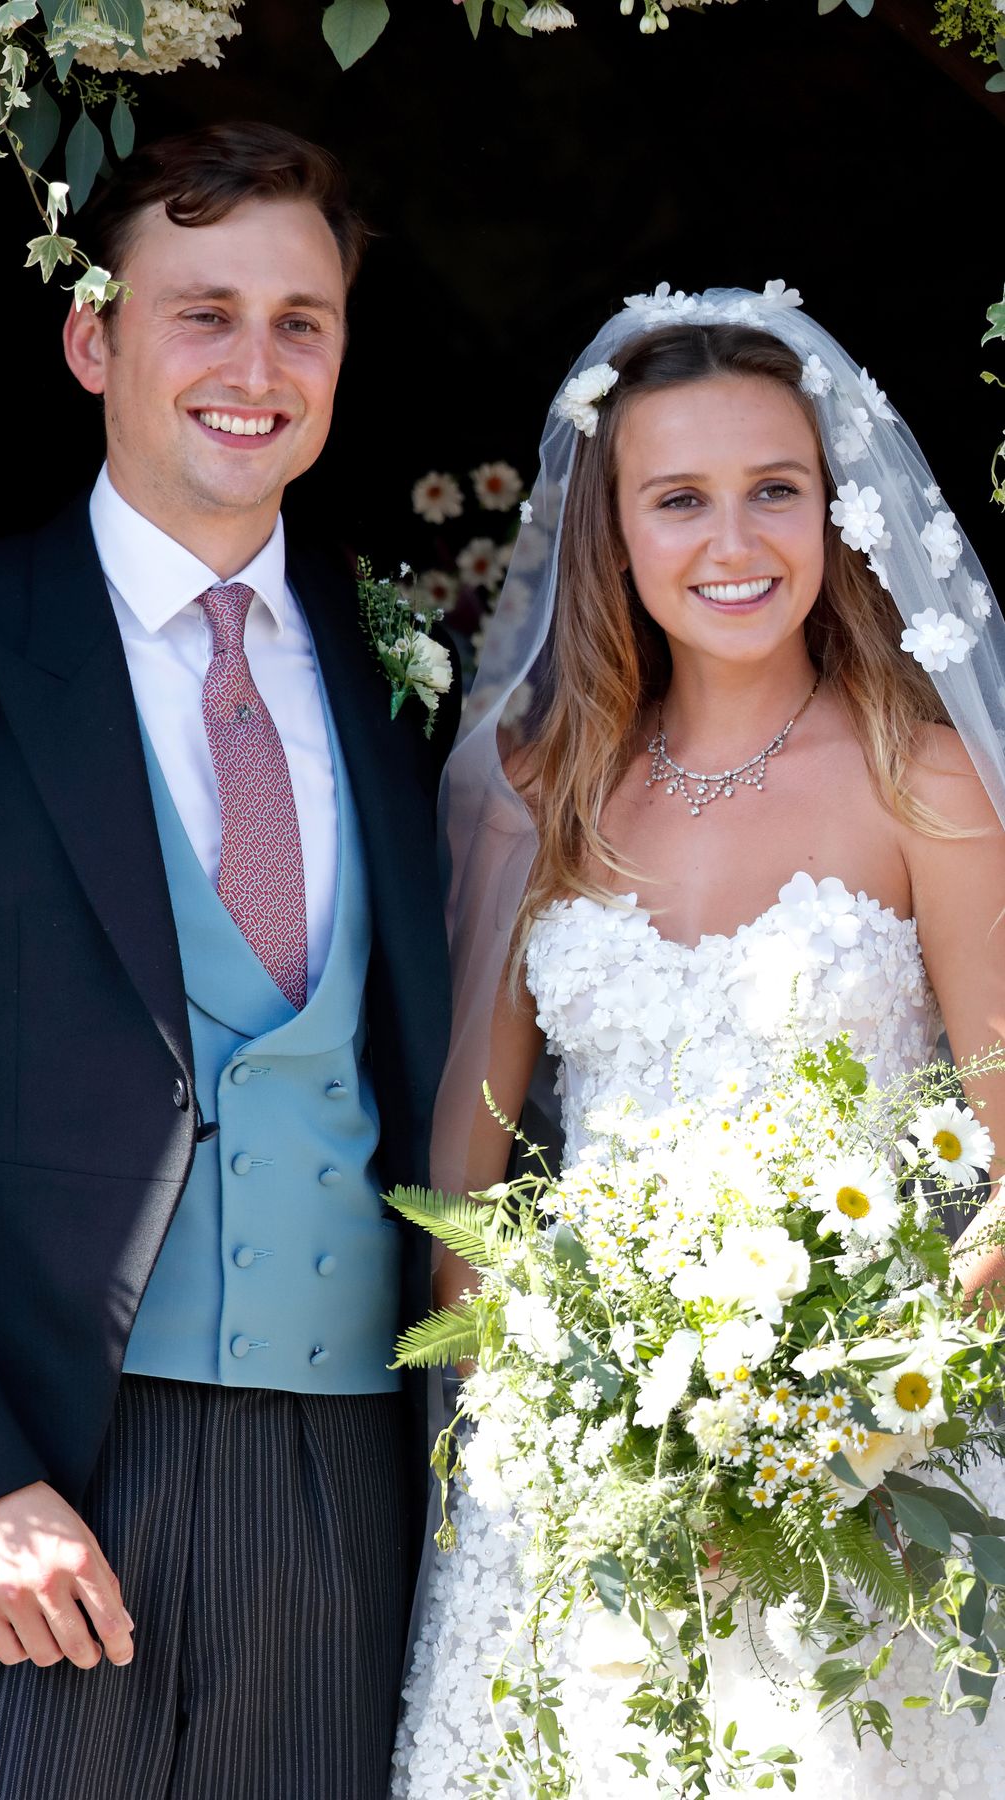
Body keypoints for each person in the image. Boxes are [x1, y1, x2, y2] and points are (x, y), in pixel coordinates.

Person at [391, 283, 1005, 1797]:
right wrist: (568, 1420)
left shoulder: (921, 776)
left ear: (832, 504)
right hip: (577, 1505)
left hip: (869, 1489)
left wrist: (849, 1411)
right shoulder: (534, 796)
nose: (735, 545)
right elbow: (458, 1193)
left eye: (773, 491)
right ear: (613, 531)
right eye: (681, 499)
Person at [0, 120, 457, 1800]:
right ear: (93, 338)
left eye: (301, 319)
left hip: (354, 1480)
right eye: (201, 311)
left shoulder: (399, 690)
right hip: (45, 1493)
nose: (256, 363)